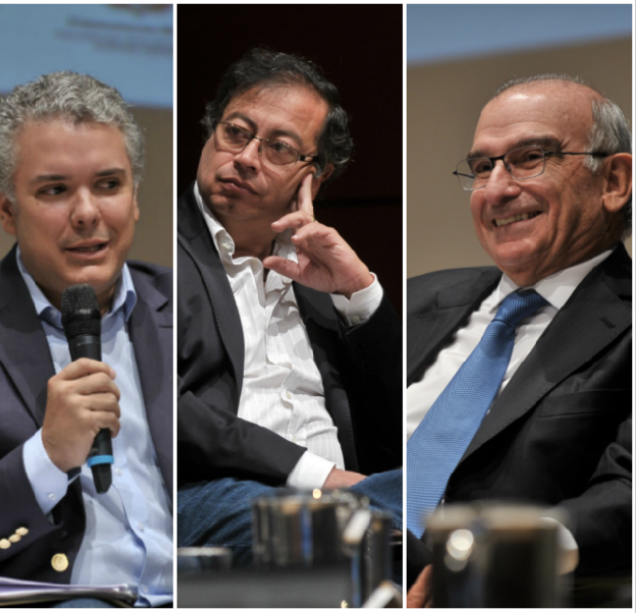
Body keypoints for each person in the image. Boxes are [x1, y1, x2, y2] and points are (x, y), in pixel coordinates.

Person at [0, 72, 173, 607]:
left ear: (135, 198)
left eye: (109, 185)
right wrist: (46, 457)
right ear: (6, 209)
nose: (88, 212)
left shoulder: (183, 306)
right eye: (55, 190)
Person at [405, 74, 632, 602]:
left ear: (614, 182)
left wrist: (501, 551)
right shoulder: (416, 299)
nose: (497, 189)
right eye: (483, 166)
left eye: (530, 158)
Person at [177, 48, 402, 565]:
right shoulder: (160, 249)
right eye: (235, 132)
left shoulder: (317, 270)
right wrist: (318, 477)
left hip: (348, 499)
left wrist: (358, 293)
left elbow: (395, 423)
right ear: (211, 130)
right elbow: (166, 403)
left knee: (455, 495)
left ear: (312, 178)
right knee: (318, 523)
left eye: (278, 147)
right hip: (208, 493)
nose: (246, 157)